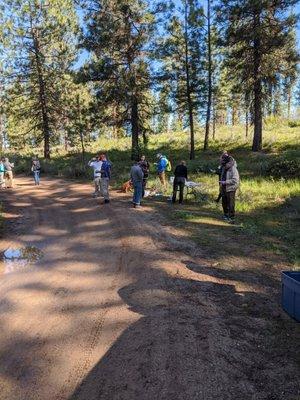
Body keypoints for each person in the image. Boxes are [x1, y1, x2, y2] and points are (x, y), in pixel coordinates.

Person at [219, 152, 240, 224]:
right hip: (224, 187)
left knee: (231, 203)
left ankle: (231, 217)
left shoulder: (233, 169)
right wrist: (221, 185)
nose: (224, 166)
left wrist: (225, 182)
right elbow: (222, 176)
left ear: (229, 163)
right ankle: (225, 214)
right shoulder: (224, 168)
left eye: (225, 164)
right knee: (224, 202)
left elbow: (235, 180)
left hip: (231, 188)